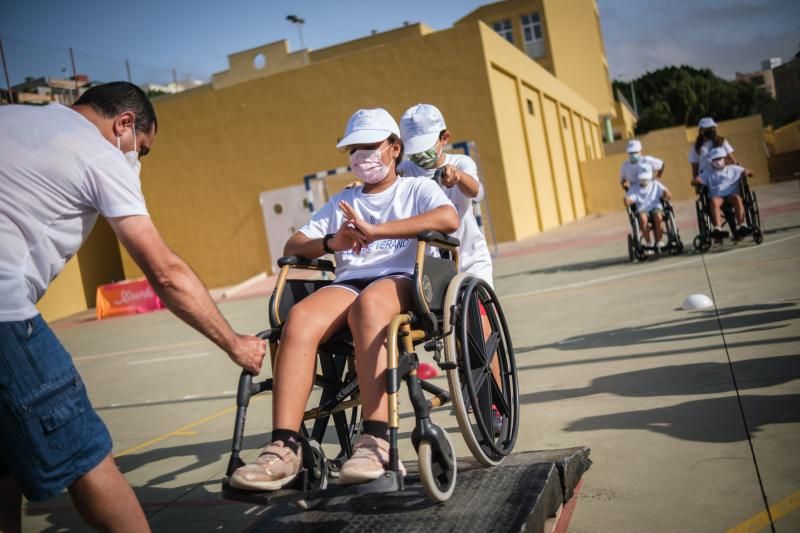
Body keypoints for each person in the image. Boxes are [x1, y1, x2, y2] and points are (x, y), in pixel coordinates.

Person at [0, 82, 266, 533]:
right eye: (140, 149)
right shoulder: (97, 151)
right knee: (86, 453)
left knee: (5, 460)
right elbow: (164, 273)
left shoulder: (13, 117)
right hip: (5, 315)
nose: (136, 160)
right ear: (124, 123)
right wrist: (234, 343)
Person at [229, 108, 458, 491]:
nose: (361, 156)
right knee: (299, 318)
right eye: (354, 149)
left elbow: (448, 219)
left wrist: (378, 231)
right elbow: (293, 244)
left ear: (394, 148)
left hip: (400, 278)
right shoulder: (342, 200)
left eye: (370, 146)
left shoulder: (414, 189)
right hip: (350, 281)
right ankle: (285, 448)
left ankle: (376, 441)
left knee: (370, 307)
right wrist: (333, 242)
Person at [397, 103, 502, 431]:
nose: (419, 158)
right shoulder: (406, 170)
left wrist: (457, 179)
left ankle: (495, 400)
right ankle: (467, 385)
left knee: (480, 329)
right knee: (452, 333)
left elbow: (477, 191)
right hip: (431, 270)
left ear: (444, 138)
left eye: (425, 150)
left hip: (470, 263)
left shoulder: (460, 162)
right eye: (413, 151)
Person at [692, 146, 752, 238]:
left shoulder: (734, 169)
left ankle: (741, 225)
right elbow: (695, 180)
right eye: (715, 159)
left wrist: (747, 172)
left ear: (725, 158)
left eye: (719, 158)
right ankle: (718, 228)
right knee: (714, 201)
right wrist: (696, 180)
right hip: (717, 196)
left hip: (731, 195)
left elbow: (750, 172)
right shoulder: (708, 172)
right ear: (711, 161)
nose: (718, 161)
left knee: (737, 198)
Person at [625, 166, 672, 251]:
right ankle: (648, 243)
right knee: (643, 219)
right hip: (642, 210)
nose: (643, 180)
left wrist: (666, 193)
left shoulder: (656, 184)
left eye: (645, 178)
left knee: (658, 216)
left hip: (656, 207)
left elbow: (668, 194)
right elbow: (628, 199)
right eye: (641, 178)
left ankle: (659, 241)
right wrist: (627, 200)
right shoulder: (635, 188)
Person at [689, 117, 736, 181]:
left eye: (712, 128)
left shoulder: (721, 142)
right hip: (706, 179)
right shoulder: (696, 146)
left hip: (723, 177)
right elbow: (695, 167)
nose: (711, 130)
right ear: (701, 131)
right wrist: (696, 180)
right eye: (708, 129)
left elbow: (732, 160)